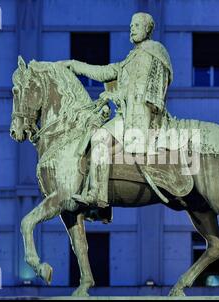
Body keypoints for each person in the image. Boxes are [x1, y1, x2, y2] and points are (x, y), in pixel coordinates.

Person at [62, 12, 173, 208]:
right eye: (131, 25)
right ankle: (99, 201)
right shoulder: (132, 57)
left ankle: (98, 195)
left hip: (139, 117)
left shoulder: (151, 53)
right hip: (128, 114)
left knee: (99, 138)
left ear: (147, 29)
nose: (132, 28)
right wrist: (74, 65)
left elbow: (139, 88)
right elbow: (105, 72)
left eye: (137, 25)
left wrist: (113, 95)